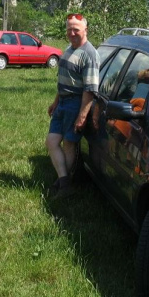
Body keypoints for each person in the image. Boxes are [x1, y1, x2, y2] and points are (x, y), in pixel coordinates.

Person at [45, 13, 100, 198]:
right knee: (52, 141)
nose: (72, 32)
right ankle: (64, 180)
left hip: (76, 104)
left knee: (69, 143)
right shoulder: (69, 48)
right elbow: (64, 80)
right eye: (69, 29)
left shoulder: (90, 54)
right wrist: (56, 101)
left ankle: (64, 185)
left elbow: (90, 89)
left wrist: (82, 115)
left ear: (85, 30)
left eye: (76, 29)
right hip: (63, 102)